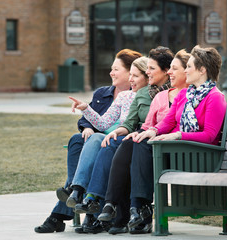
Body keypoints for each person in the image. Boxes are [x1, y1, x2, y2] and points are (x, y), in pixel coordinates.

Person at [100, 45, 227, 235]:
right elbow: (166, 122)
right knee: (134, 140)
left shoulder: (215, 97)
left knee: (140, 144)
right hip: (175, 150)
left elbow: (209, 136)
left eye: (189, 67)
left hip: (198, 154)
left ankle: (138, 208)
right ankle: (126, 206)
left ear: (202, 70)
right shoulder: (185, 94)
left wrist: (178, 135)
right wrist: (151, 131)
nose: (185, 71)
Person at [34, 49, 142, 233]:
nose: (111, 73)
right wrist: (87, 128)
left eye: (116, 69)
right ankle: (80, 199)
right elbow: (88, 120)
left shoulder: (137, 97)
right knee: (77, 139)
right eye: (111, 69)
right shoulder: (103, 93)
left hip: (114, 144)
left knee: (98, 140)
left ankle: (67, 205)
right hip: (95, 141)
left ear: (131, 72)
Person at [74, 46, 174, 234]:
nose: (132, 80)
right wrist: (116, 131)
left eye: (147, 71)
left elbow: (165, 121)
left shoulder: (171, 93)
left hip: (160, 144)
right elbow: (128, 123)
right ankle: (100, 203)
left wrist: (144, 131)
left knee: (128, 145)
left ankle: (122, 209)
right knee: (103, 141)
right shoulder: (141, 95)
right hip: (139, 139)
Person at [97, 49, 191, 235]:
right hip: (153, 144)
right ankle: (120, 207)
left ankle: (134, 208)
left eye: (152, 68)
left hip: (175, 148)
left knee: (136, 143)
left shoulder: (187, 95)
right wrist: (136, 132)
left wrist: (149, 132)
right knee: (128, 142)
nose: (148, 72)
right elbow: (146, 124)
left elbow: (173, 125)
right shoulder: (159, 96)